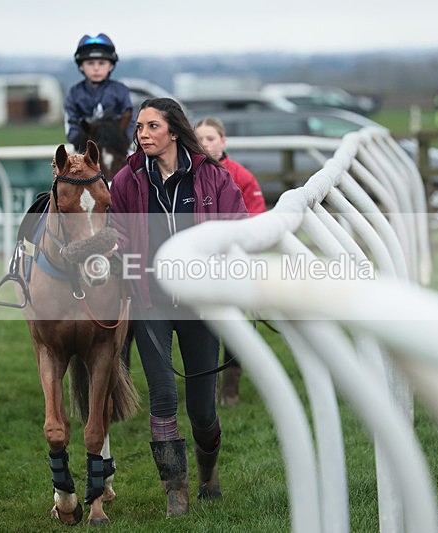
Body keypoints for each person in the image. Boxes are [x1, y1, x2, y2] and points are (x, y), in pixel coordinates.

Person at [110, 98, 248, 518]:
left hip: (199, 302)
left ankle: (208, 474)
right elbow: (118, 232)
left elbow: (239, 226)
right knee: (164, 397)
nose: (143, 134)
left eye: (152, 126)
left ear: (174, 131)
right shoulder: (127, 180)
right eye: (139, 127)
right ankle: (176, 494)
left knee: (202, 409)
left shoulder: (212, 177)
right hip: (149, 300)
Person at [195, 116, 265, 406]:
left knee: (236, 324)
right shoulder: (190, 175)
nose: (204, 144)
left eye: (210, 138)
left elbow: (257, 220)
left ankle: (230, 388)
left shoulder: (242, 176)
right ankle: (208, 386)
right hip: (200, 264)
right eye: (199, 139)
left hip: (234, 262)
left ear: (222, 141)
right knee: (203, 327)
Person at [64, 33, 133, 153]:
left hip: (119, 149)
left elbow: (131, 122)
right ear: (81, 66)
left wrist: (123, 140)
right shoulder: (74, 93)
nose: (96, 68)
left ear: (111, 66)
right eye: (90, 63)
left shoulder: (121, 90)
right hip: (83, 150)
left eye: (101, 63)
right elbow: (71, 126)